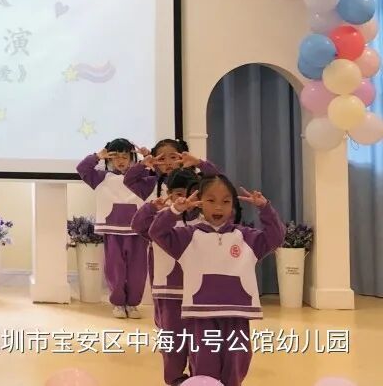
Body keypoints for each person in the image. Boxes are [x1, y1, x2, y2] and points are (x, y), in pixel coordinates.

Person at [149, 174, 286, 386]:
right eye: (211, 200)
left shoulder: (247, 237)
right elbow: (156, 232)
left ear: (233, 205)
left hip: (237, 314)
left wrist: (265, 208)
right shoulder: (187, 236)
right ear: (200, 202)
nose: (218, 207)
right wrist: (175, 211)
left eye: (226, 201)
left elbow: (276, 237)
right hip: (200, 314)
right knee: (204, 365)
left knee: (237, 362)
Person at [131, 169, 202, 385]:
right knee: (172, 343)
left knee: (200, 343)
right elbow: (137, 225)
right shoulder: (160, 220)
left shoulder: (205, 220)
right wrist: (152, 207)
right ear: (169, 193)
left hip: (199, 294)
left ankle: (198, 380)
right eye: (178, 194)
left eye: (190, 194)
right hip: (168, 293)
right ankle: (175, 380)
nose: (184, 200)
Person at [76, 138, 151, 318]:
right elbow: (82, 169)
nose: (120, 161)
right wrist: (97, 156)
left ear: (132, 157)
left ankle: (132, 304)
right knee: (115, 268)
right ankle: (118, 304)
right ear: (109, 158)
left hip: (137, 231)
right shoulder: (101, 178)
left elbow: (160, 174)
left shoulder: (142, 178)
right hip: (112, 230)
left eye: (125, 156)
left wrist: (149, 156)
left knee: (138, 270)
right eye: (115, 156)